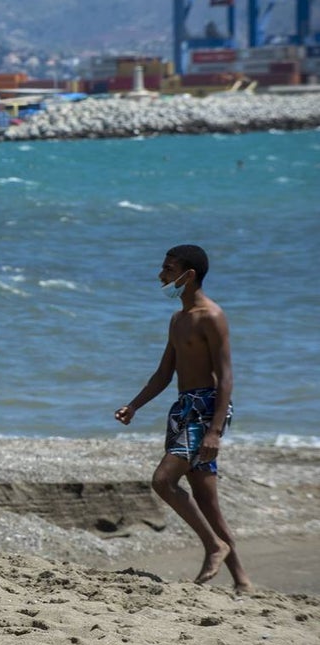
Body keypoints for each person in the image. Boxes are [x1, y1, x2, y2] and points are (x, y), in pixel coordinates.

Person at [114, 244, 252, 593]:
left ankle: (214, 547)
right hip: (182, 407)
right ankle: (242, 581)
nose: (161, 275)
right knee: (207, 500)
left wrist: (215, 431)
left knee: (162, 480)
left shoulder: (212, 316)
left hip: (206, 409)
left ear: (188, 275)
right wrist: (134, 406)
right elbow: (163, 374)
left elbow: (226, 376)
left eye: (168, 268)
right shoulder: (177, 319)